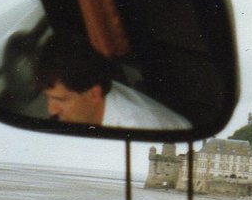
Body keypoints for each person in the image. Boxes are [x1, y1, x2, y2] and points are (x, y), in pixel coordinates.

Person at [33, 34, 190, 130]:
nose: (51, 110)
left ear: (94, 94)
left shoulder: (137, 130)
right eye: (49, 97)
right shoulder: (96, 93)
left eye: (61, 99)